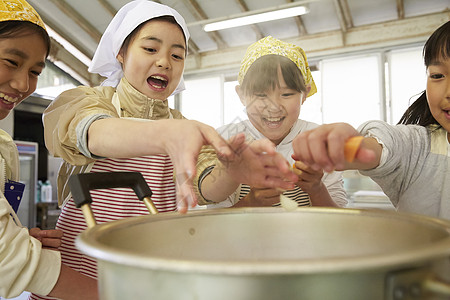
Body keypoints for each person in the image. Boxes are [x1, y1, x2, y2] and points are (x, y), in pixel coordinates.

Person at [39, 1, 295, 296]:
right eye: (150, 49)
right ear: (121, 53)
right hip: (78, 267)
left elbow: (205, 186)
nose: (164, 62)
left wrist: (231, 172)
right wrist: (164, 134)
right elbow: (89, 132)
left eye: (177, 55)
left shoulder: (182, 126)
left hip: (146, 268)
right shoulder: (87, 100)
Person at [291, 20, 450, 219]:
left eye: (287, 94)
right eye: (437, 75)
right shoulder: (418, 147)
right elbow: (387, 145)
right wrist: (351, 147)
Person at [0, 1, 97, 299]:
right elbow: (5, 259)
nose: (22, 84)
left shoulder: (4, 147)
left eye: (35, 71)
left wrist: (17, 236)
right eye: (12, 62)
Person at [195, 36, 347, 208]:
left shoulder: (318, 140)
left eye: (286, 94)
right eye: (261, 95)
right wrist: (251, 202)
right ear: (241, 95)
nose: (274, 107)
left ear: (304, 94)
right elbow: (214, 221)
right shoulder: (226, 139)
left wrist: (316, 189)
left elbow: (339, 216)